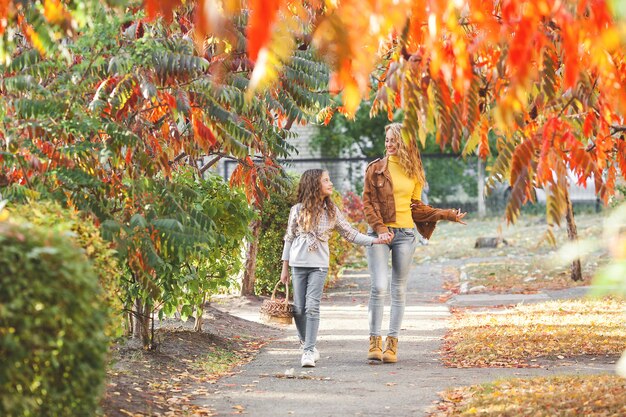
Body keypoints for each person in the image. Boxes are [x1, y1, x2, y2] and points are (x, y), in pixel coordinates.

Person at [363, 123, 466, 363]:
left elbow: (416, 208)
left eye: (394, 140)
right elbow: (368, 204)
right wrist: (381, 229)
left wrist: (446, 214)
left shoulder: (414, 171)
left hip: (406, 235)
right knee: (379, 286)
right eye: (387, 140)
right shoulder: (375, 169)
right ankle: (374, 341)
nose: (389, 144)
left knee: (398, 288)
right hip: (379, 234)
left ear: (404, 143)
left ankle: (392, 344)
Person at [280, 169, 391, 368]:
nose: (330, 183)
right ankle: (307, 344)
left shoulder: (331, 211)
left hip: (319, 266)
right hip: (298, 264)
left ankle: (308, 351)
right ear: (314, 184)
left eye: (329, 179)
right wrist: (284, 268)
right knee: (298, 309)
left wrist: (375, 241)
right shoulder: (297, 210)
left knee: (311, 306)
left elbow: (351, 234)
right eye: (326, 180)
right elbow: (289, 239)